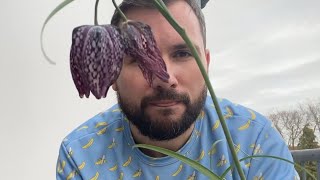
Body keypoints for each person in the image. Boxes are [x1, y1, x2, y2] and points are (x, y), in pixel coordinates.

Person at [56, 0, 299, 179]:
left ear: (206, 63)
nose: (165, 78)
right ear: (112, 73)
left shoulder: (255, 140)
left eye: (182, 53)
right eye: (140, 59)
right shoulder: (79, 154)